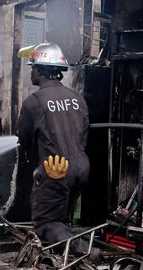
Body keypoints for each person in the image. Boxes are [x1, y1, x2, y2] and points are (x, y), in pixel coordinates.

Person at [16, 42, 90, 246]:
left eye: (33, 67)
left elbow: (24, 140)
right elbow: (83, 135)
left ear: (40, 70)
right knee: (61, 219)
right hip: (81, 168)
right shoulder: (77, 98)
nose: (31, 71)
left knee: (47, 224)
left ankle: (82, 251)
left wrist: (38, 167)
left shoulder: (34, 101)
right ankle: (64, 268)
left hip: (55, 169)